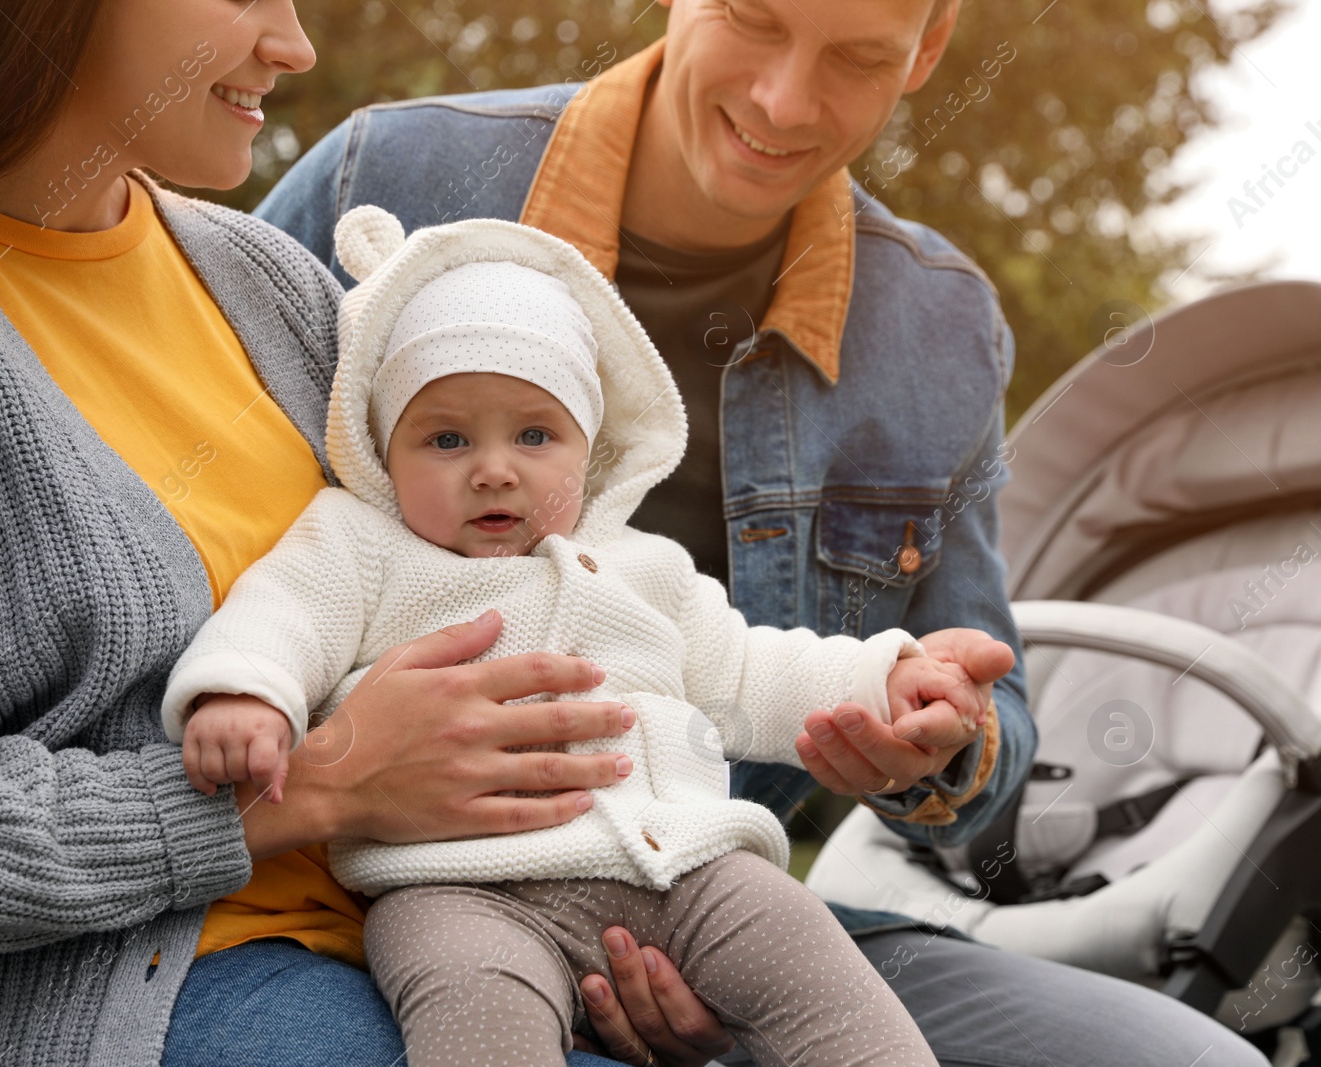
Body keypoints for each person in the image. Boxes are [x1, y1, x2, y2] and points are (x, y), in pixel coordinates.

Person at [253, 1, 1271, 1064]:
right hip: (402, 913)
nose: (784, 101)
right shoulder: (385, 174)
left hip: (726, 896)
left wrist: (938, 732)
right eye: (752, 17)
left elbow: (989, 725)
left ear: (926, 51)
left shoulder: (938, 325)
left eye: (858, 55)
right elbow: (154, 550)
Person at [0, 2, 708, 1065]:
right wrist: (310, 789)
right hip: (121, 1006)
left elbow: (445, 587)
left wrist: (602, 927)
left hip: (439, 941)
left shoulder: (263, 279)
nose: (293, 47)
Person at [165, 205, 996, 1066]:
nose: (493, 467)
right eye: (445, 437)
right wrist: (245, 690)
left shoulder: (645, 566)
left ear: (591, 450)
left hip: (683, 869)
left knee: (807, 949)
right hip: (454, 891)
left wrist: (881, 683)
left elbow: (749, 668)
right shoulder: (361, 543)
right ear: (380, 447)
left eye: (535, 434)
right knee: (475, 1010)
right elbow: (283, 611)